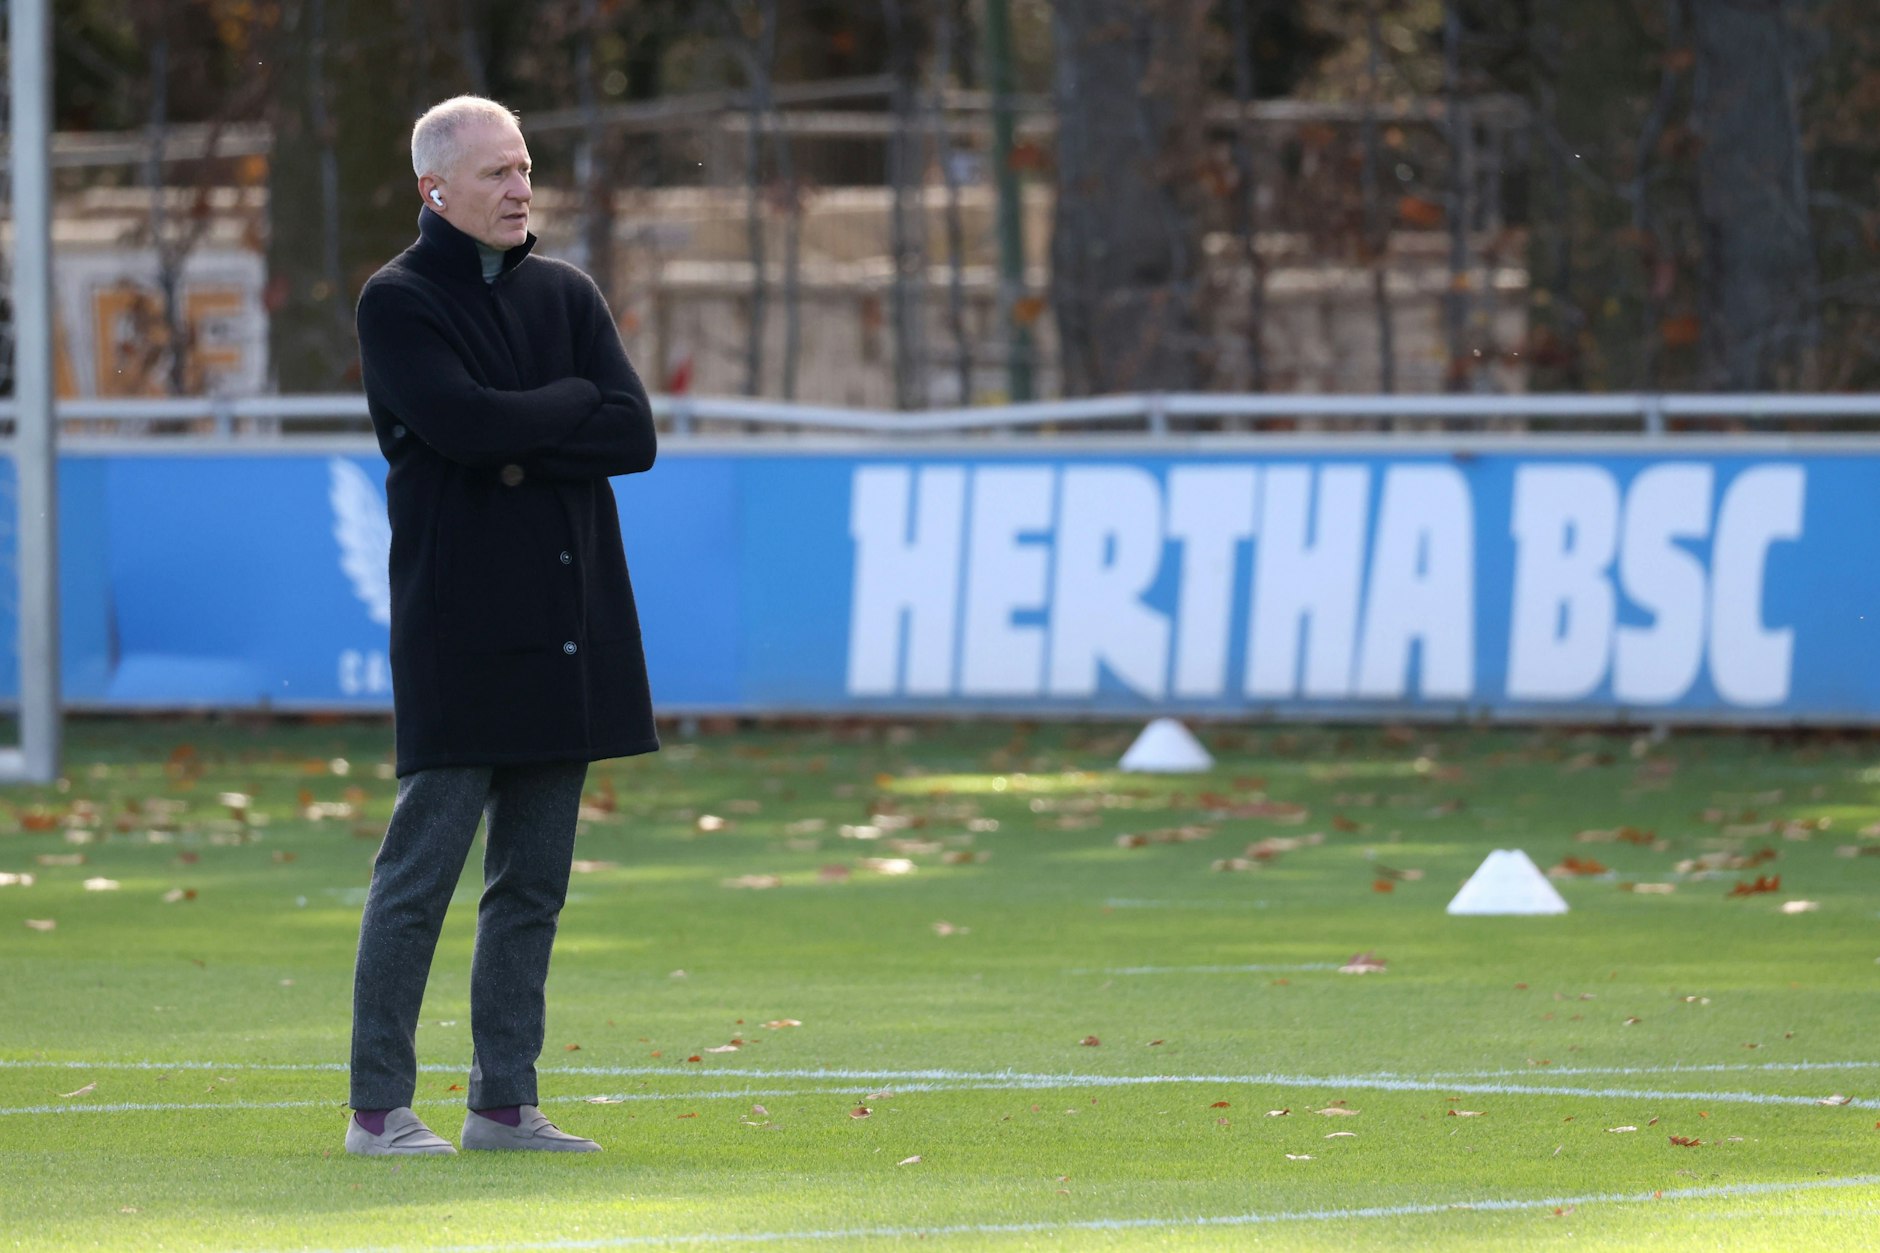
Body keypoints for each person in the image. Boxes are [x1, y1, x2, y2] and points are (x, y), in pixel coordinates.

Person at [343, 95, 659, 1156]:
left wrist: (534, 422)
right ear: (437, 190)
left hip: (570, 623)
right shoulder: (395, 301)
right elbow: (465, 427)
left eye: (524, 167)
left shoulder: (565, 291)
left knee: (533, 882)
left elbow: (634, 434)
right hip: (462, 629)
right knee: (418, 879)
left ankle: (502, 1103)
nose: (521, 186)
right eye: (497, 173)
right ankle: (379, 1107)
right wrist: (564, 408)